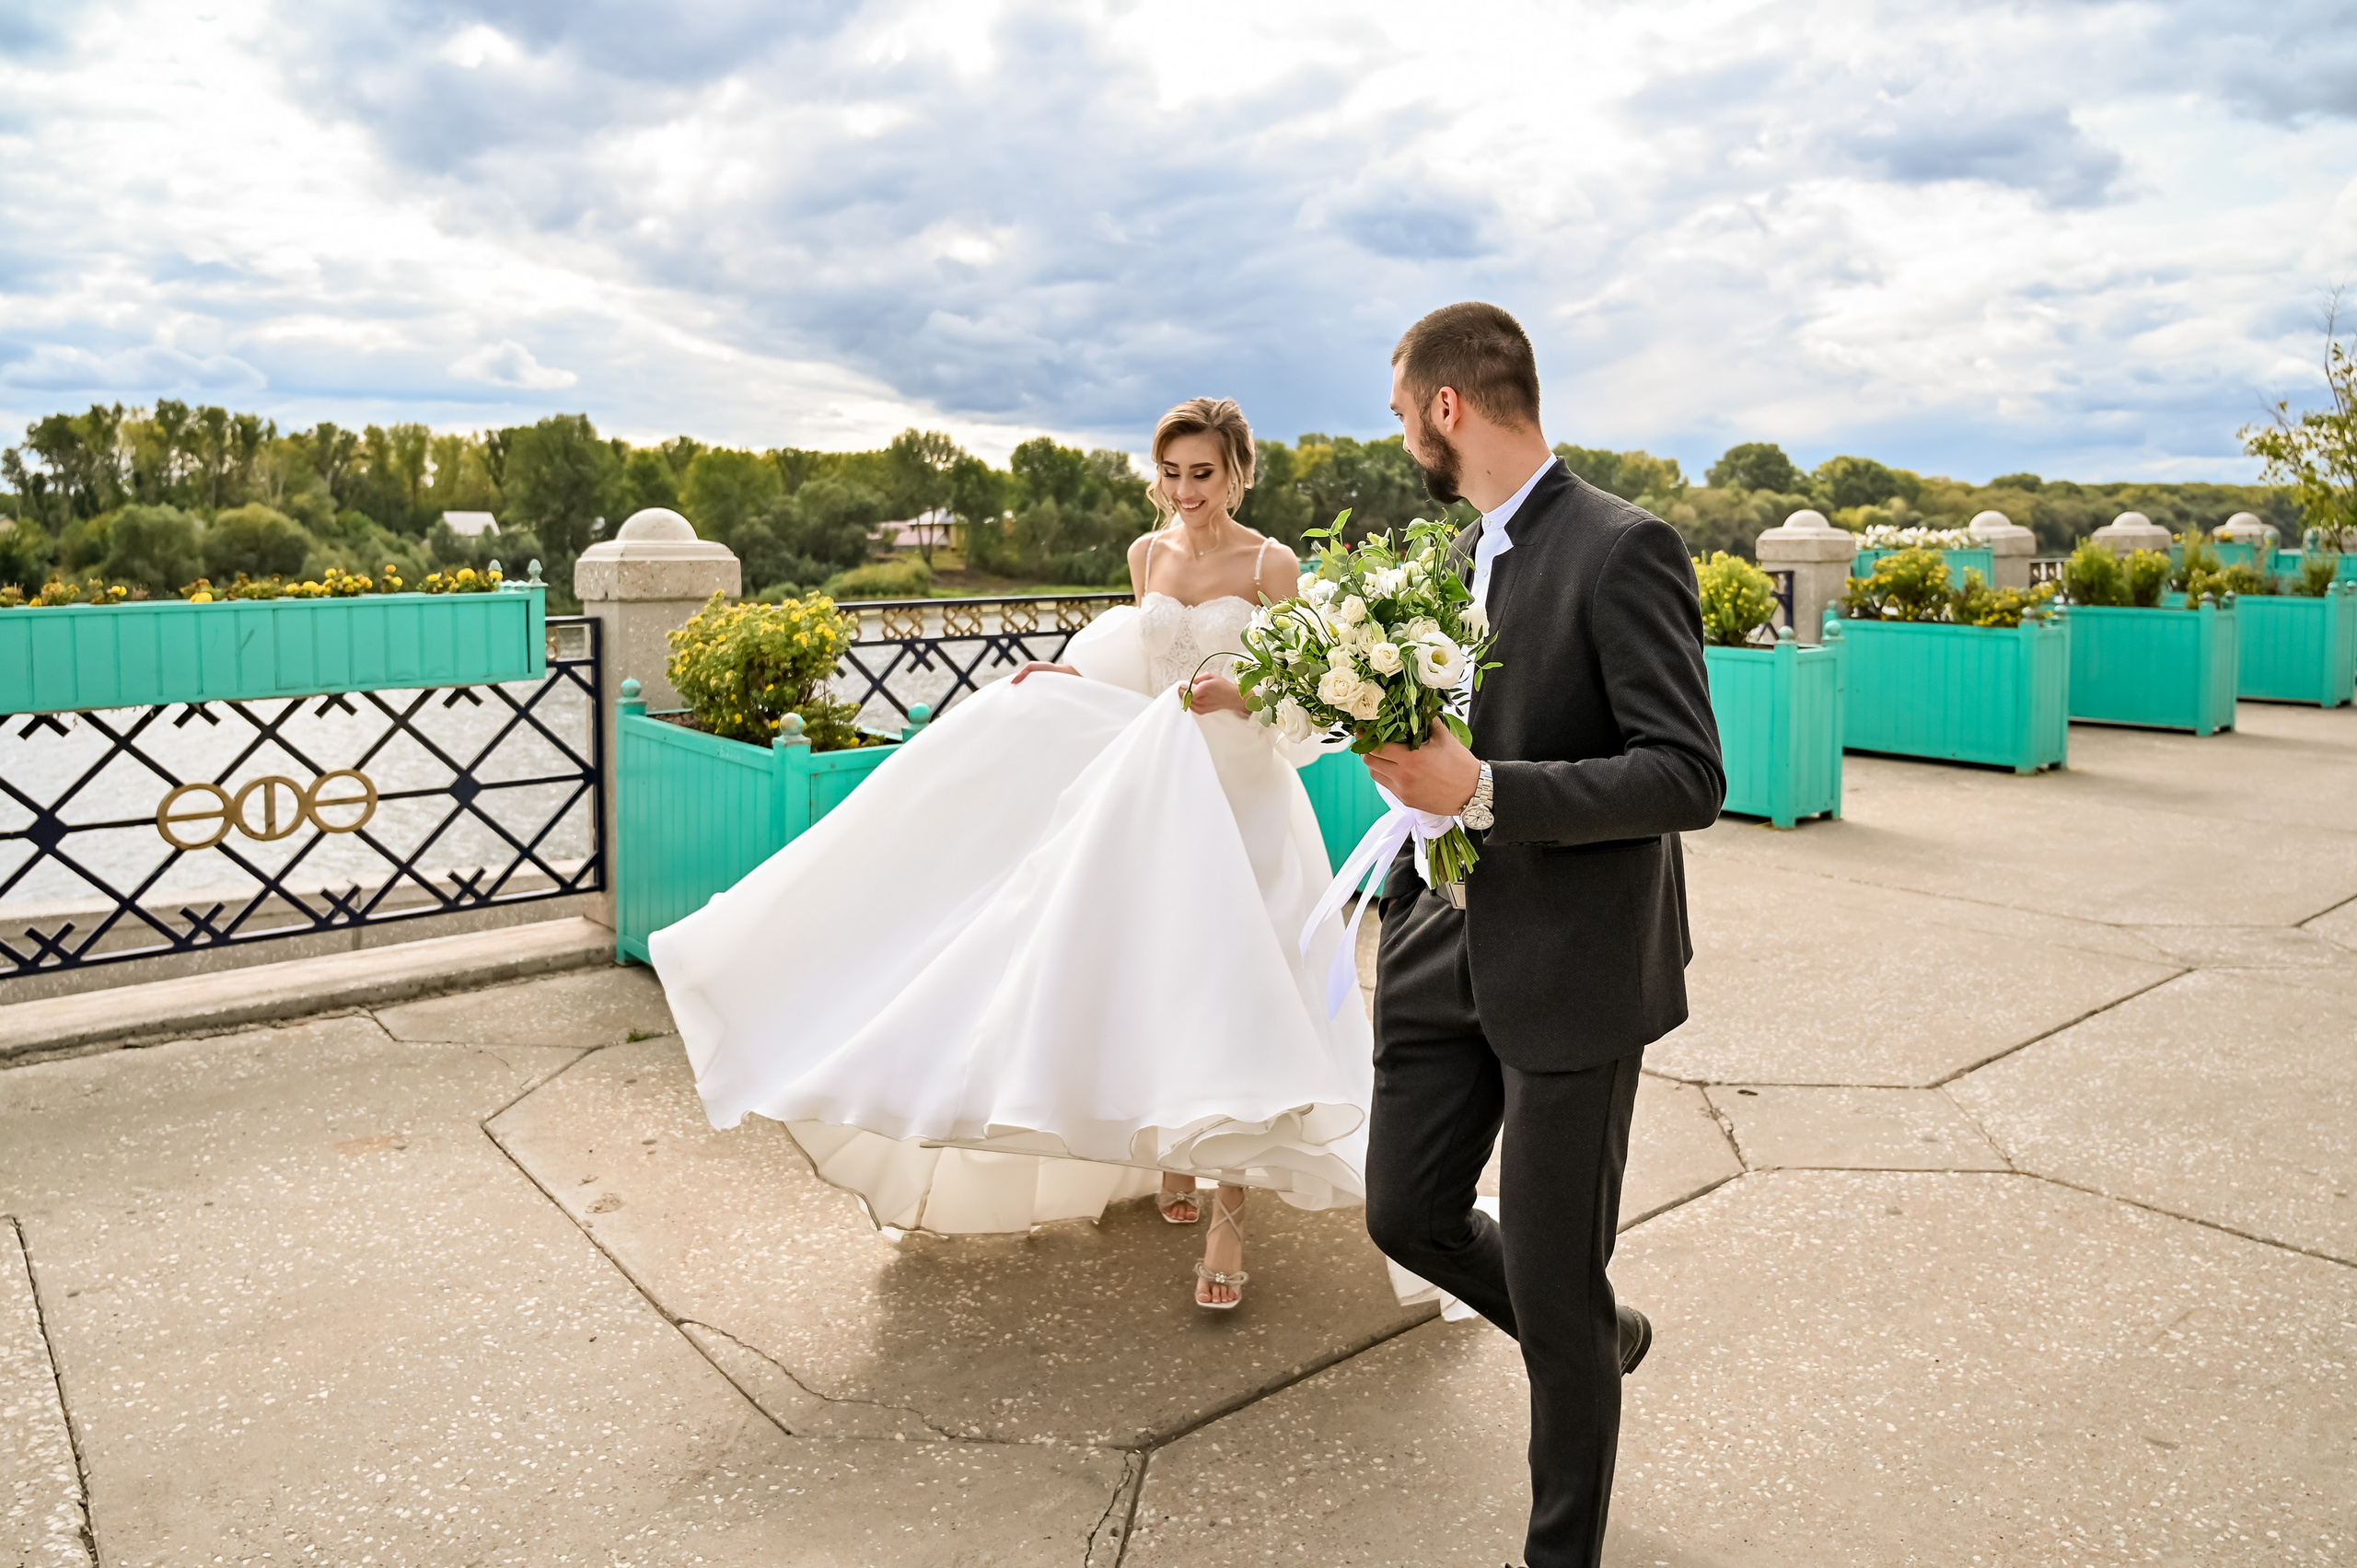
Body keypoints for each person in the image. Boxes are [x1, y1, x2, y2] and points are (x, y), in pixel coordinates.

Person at [647, 396, 1378, 1311]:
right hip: (1151, 791)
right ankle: (1175, 1153)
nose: (1186, 491)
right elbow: (1139, 663)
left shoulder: (1273, 565)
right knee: (1152, 973)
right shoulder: (1145, 555)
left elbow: (1310, 693)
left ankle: (1229, 1208)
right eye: (1172, 473)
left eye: (1204, 472)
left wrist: (1240, 689)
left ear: (1237, 471)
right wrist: (1062, 679)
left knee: (1235, 984)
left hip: (1240, 796)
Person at [1356, 304, 1725, 1567]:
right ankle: (1590, 1329)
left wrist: (1488, 790)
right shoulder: (1450, 557)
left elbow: (1685, 773)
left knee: (1556, 1292)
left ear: (1445, 406)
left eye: (1402, 404)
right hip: (1433, 938)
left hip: (1571, 966)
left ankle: (1557, 1545)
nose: (1399, 426)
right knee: (1406, 1211)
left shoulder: (1626, 547)